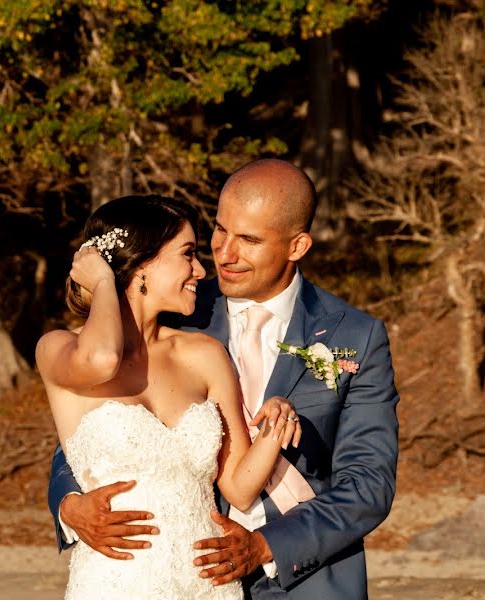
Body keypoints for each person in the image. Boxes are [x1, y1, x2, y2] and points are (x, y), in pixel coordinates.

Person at [47, 159, 399, 599]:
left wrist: (265, 546)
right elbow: (88, 432)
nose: (223, 254)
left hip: (304, 577)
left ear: (297, 245)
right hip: (167, 570)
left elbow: (368, 482)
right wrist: (68, 505)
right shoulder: (179, 308)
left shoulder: (355, 336)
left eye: (248, 240)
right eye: (219, 230)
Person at [36, 194, 303, 600]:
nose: (200, 269)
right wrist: (106, 281)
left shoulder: (204, 355)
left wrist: (275, 427)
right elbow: (104, 359)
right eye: (187, 254)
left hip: (207, 584)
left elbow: (239, 487)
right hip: (116, 584)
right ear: (141, 265)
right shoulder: (58, 349)